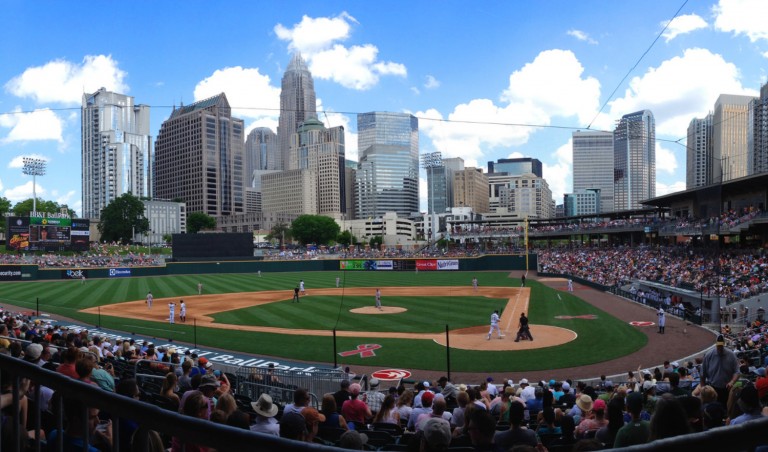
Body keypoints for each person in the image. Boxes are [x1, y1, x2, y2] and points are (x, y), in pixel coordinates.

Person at [700, 334, 740, 406]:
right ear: (716, 344)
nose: (720, 347)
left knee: (726, 407)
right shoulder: (709, 355)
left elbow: (737, 371)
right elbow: (702, 374)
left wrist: (732, 381)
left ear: (724, 344)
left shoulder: (731, 355)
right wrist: (703, 388)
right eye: (718, 345)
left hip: (727, 388)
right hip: (713, 388)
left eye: (721, 345)